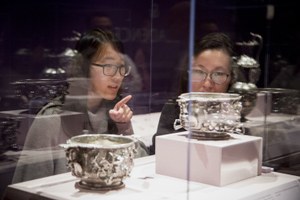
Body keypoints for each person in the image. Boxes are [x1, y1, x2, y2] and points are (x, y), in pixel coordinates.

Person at [12, 28, 148, 183]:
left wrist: (125, 127)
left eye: (121, 68)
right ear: (84, 67)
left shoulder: (114, 114)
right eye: (109, 66)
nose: (118, 76)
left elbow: (142, 167)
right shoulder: (52, 118)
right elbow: (29, 186)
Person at [149, 32, 235, 155]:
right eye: (199, 72)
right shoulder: (175, 109)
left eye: (219, 74)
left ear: (231, 78)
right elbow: (158, 155)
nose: (207, 84)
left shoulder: (239, 117)